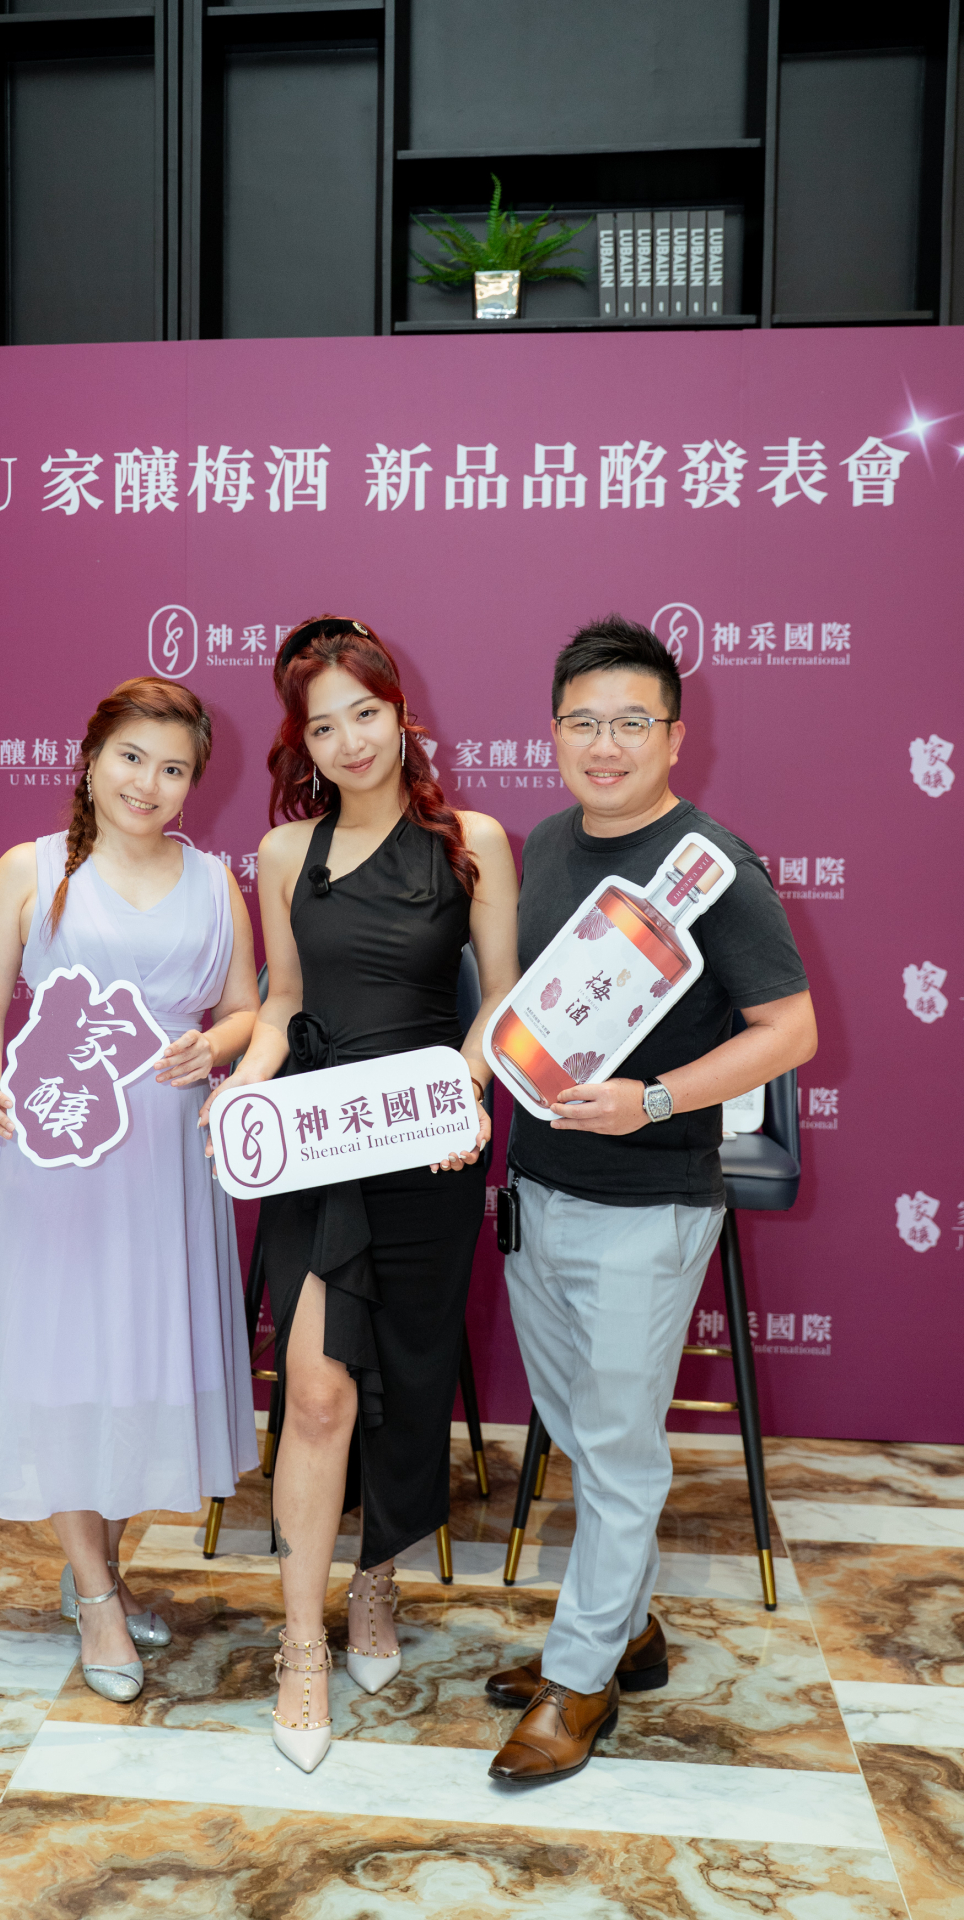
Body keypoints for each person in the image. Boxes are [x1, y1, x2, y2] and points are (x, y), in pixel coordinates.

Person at [485, 615, 816, 1785]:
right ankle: (624, 1630)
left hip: (648, 1204)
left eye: (630, 721)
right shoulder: (545, 843)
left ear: (674, 735)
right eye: (582, 721)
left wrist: (656, 1099)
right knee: (579, 1432)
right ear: (552, 734)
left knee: (619, 1449)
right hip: (535, 1190)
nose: (605, 743)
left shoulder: (712, 867)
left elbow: (789, 1029)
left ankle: (578, 1683)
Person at [205, 617, 520, 1773]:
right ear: (302, 741)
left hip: (426, 1144)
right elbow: (283, 1006)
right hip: (316, 1140)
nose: (348, 741)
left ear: (400, 715)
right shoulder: (286, 853)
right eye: (323, 725)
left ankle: (375, 1578)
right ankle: (300, 1646)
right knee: (317, 1391)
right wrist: (243, 1089)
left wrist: (464, 1091)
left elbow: (500, 1000)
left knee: (407, 1379)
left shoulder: (472, 842)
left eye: (365, 715)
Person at [0, 677, 261, 1702]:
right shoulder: (32, 870)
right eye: (131, 757)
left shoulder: (215, 884)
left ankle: (103, 1565)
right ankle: (94, 1595)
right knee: (63, 1363)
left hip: (165, 1160)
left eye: (173, 769)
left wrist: (212, 1046)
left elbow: (247, 1008)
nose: (148, 783)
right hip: (54, 1158)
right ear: (91, 760)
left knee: (140, 1368)